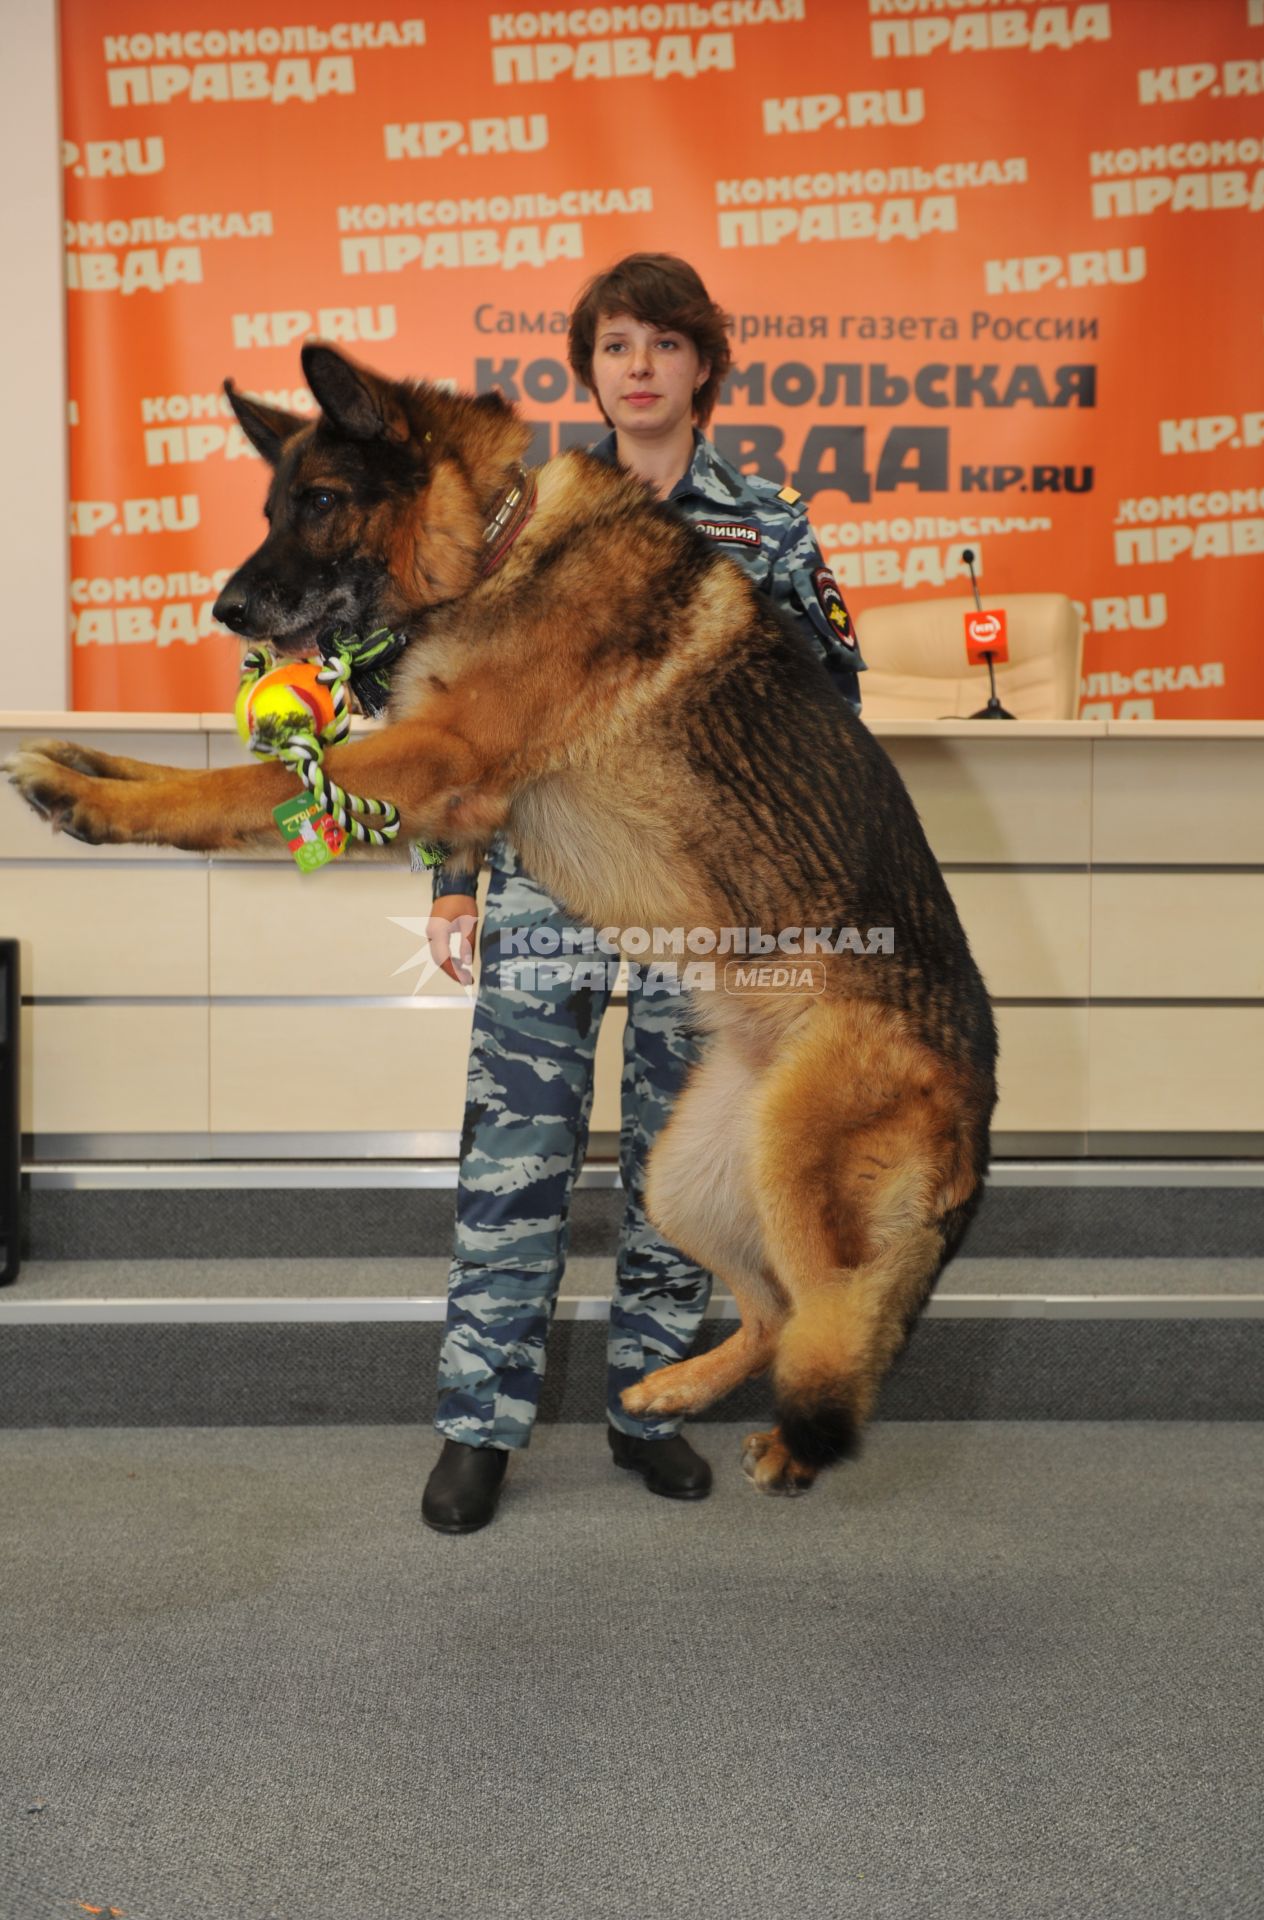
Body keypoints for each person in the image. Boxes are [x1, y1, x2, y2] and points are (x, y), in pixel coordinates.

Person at [421, 253, 864, 1533]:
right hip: (547, 880)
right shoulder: (528, 518)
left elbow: (823, 715)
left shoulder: (764, 523)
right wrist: (454, 880)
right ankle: (475, 1426)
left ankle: (645, 1408)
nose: (639, 367)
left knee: (683, 1167)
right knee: (514, 1161)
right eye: (616, 345)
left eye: (664, 344)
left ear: (702, 366)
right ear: (589, 366)